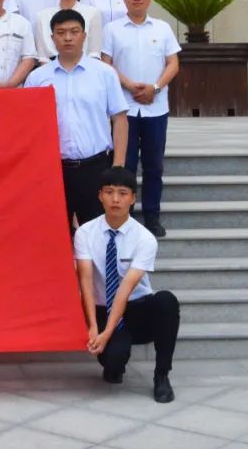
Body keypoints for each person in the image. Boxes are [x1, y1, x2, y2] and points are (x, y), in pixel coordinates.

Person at [74, 166, 179, 403]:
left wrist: (107, 333)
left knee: (166, 301)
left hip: (137, 308)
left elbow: (125, 289)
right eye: (109, 192)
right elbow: (85, 280)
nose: (115, 199)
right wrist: (93, 327)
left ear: (132, 198)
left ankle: (162, 375)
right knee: (112, 361)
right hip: (103, 308)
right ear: (100, 196)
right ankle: (115, 363)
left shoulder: (144, 238)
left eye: (122, 193)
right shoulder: (85, 233)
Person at [25, 9, 128, 230]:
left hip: (95, 167)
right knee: (54, 232)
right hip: (53, 169)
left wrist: (118, 166)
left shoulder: (104, 73)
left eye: (74, 32)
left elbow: (119, 119)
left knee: (96, 231)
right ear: (52, 38)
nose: (68, 38)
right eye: (61, 33)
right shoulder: (37, 78)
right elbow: (29, 127)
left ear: (84, 35)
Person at [101, 0, 181, 238]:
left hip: (155, 108)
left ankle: (152, 217)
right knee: (124, 165)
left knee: (154, 165)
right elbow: (106, 64)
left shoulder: (162, 28)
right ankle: (125, 217)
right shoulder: (112, 29)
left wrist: (154, 88)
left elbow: (173, 63)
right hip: (123, 109)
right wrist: (128, 85)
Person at [34, 0, 103, 63]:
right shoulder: (42, 16)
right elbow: (43, 56)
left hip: (85, 68)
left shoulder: (93, 13)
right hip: (51, 69)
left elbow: (94, 53)